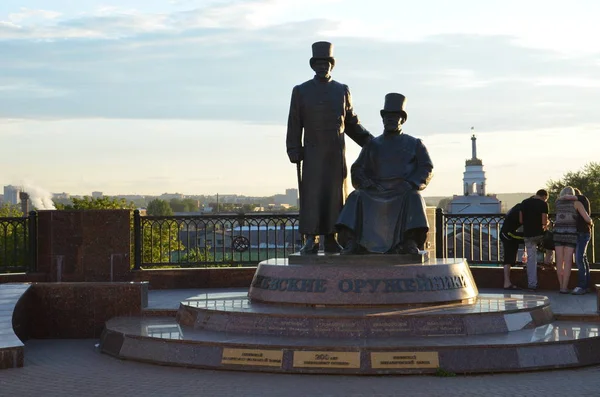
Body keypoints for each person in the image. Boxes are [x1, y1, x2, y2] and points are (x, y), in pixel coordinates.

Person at [286, 41, 373, 255]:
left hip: (335, 152)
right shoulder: (301, 91)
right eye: (319, 63)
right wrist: (293, 148)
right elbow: (294, 122)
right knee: (312, 195)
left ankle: (332, 238)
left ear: (332, 65)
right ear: (313, 66)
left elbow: (351, 123)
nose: (323, 66)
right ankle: (310, 238)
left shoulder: (341, 90)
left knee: (335, 196)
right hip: (313, 153)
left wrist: (371, 142)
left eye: (327, 63)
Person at [335, 93, 433, 255]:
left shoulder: (414, 143)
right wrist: (365, 182)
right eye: (387, 117)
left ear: (402, 120)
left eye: (394, 117)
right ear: (383, 120)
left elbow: (426, 168)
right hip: (375, 190)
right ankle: (352, 242)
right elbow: (357, 168)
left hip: (402, 190)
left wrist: (410, 183)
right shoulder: (373, 144)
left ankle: (409, 241)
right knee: (356, 196)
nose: (390, 120)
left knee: (414, 197)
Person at [553, 187, 594, 294]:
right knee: (567, 262)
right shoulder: (577, 203)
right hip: (571, 234)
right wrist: (591, 222)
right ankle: (564, 288)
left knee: (559, 261)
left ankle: (560, 285)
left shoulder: (557, 202)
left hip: (557, 233)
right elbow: (586, 218)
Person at [519, 189, 549, 291]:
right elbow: (544, 221)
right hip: (539, 234)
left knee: (531, 259)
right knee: (550, 246)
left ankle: (532, 284)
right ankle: (548, 264)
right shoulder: (543, 204)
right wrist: (547, 224)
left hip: (527, 234)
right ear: (544, 196)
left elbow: (521, 220)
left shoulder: (524, 202)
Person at [572, 188, 592, 295]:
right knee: (583, 258)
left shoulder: (581, 199)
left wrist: (563, 197)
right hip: (583, 233)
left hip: (582, 233)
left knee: (579, 259)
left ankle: (582, 286)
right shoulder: (582, 201)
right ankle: (587, 285)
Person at [500, 203, 524, 290]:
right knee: (508, 259)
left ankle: (507, 282)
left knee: (508, 258)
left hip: (506, 233)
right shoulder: (522, 209)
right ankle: (507, 282)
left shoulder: (517, 207)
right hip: (509, 234)